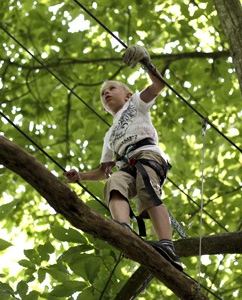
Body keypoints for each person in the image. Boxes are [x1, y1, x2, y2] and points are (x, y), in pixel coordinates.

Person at [64, 45, 182, 271]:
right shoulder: (110, 135)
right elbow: (103, 171)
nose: (106, 93)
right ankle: (123, 228)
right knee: (113, 183)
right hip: (125, 164)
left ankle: (167, 244)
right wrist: (80, 176)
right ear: (105, 109)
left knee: (147, 190)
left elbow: (158, 86)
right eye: (103, 94)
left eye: (111, 88)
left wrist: (146, 62)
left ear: (127, 94)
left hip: (147, 154)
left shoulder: (135, 103)